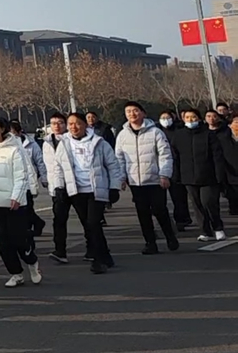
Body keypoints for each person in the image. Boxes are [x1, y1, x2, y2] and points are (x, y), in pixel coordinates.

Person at [49, 113, 124, 275]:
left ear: (85, 125)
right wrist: (59, 187)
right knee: (89, 225)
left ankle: (98, 261)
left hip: (96, 190)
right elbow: (58, 168)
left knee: (93, 223)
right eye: (70, 124)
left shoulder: (99, 143)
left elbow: (113, 166)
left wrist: (114, 188)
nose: (73, 127)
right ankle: (106, 256)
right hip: (76, 191)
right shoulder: (65, 143)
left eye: (77, 124)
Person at [0, 117, 41, 288]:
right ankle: (16, 273)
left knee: (18, 238)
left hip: (13, 203)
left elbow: (21, 176)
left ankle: (31, 261)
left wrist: (17, 196)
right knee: (2, 240)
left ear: (3, 128)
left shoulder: (15, 149)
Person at [113, 102, 179, 255]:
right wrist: (121, 178)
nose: (132, 114)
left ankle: (170, 236)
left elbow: (165, 155)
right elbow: (119, 159)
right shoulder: (122, 135)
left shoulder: (155, 132)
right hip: (135, 181)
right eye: (128, 111)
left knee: (159, 209)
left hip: (155, 180)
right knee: (142, 212)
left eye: (135, 111)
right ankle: (150, 243)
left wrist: (164, 175)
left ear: (143, 113)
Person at [170, 108, 226, 243]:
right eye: (187, 117)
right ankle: (205, 231)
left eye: (193, 117)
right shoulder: (179, 135)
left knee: (208, 202)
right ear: (183, 119)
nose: (190, 120)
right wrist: (176, 175)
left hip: (208, 176)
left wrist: (220, 176)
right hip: (188, 176)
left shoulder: (208, 134)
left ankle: (218, 227)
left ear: (199, 119)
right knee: (197, 204)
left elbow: (217, 156)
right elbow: (175, 156)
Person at [43, 113, 85, 264]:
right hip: (57, 187)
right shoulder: (46, 142)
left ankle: (92, 248)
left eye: (60, 122)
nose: (56, 126)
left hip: (75, 186)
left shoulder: (70, 141)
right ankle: (60, 250)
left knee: (85, 219)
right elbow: (47, 166)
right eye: (53, 123)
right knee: (59, 220)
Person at [158, 109, 193, 231]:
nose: (165, 120)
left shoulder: (178, 132)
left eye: (167, 118)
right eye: (162, 117)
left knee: (179, 197)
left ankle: (182, 219)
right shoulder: (157, 132)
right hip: (159, 169)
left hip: (176, 168)